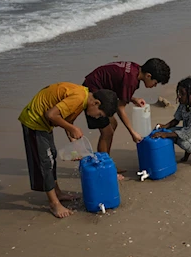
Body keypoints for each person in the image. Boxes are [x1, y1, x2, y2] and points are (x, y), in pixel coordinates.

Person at [18, 83, 118, 218]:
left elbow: (65, 119)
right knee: (45, 163)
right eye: (99, 114)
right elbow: (51, 114)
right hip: (34, 122)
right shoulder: (78, 98)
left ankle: (57, 193)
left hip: (43, 125)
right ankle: (54, 203)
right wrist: (72, 129)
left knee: (51, 157)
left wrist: (75, 144)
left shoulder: (82, 98)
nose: (97, 117)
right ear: (96, 102)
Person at [83, 59, 171, 176]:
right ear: (148, 76)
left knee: (112, 124)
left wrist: (132, 98)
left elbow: (118, 86)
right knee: (107, 131)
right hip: (92, 96)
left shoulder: (134, 69)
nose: (154, 86)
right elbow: (120, 108)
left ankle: (107, 161)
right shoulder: (131, 81)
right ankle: (103, 168)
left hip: (98, 89)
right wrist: (132, 132)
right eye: (155, 82)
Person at [153, 77, 191, 166]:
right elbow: (177, 119)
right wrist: (164, 127)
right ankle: (187, 155)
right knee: (171, 131)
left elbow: (188, 132)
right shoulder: (185, 104)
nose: (179, 96)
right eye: (179, 93)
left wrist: (166, 135)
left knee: (181, 141)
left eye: (182, 94)